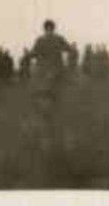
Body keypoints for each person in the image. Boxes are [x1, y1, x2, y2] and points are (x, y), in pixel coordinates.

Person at [22, 20, 73, 152]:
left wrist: (27, 54)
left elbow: (33, 54)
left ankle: (44, 116)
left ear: (44, 28)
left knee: (40, 97)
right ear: (53, 28)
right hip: (57, 74)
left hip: (43, 75)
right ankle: (57, 115)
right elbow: (70, 50)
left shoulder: (40, 40)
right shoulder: (59, 38)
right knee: (60, 97)